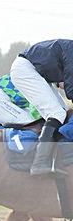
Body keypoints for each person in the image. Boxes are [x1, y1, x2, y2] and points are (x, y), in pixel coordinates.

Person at [4, 39, 73, 178]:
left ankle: (53, 160)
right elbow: (70, 91)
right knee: (56, 113)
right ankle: (39, 164)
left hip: (38, 72)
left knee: (62, 113)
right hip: (26, 69)